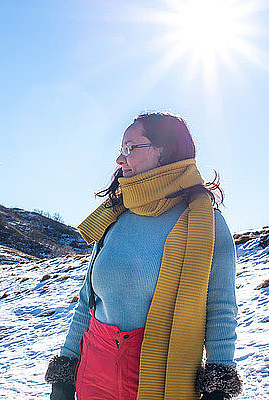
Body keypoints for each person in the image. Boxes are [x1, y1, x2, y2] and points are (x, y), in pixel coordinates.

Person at [45, 112, 243, 400]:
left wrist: (217, 388)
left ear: (163, 152)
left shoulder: (206, 225)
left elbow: (221, 310)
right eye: (120, 150)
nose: (120, 159)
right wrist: (64, 375)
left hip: (159, 376)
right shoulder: (114, 217)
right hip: (93, 369)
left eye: (130, 148)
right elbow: (87, 302)